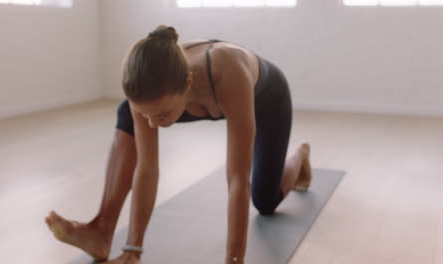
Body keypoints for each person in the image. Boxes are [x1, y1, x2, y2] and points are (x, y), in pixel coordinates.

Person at [45, 25, 312, 264]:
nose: (152, 125)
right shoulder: (145, 80)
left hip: (267, 100)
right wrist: (132, 250)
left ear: (187, 84)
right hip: (192, 96)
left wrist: (234, 258)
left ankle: (299, 154)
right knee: (128, 111)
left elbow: (237, 179)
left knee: (265, 202)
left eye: (160, 115)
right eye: (147, 115)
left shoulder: (230, 73)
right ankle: (101, 231)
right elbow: (147, 170)